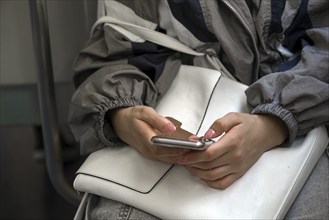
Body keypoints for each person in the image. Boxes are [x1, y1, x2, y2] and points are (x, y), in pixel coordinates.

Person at [69, 0, 329, 219]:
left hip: (311, 119)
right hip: (170, 114)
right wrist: (124, 118)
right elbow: (117, 46)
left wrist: (274, 123)